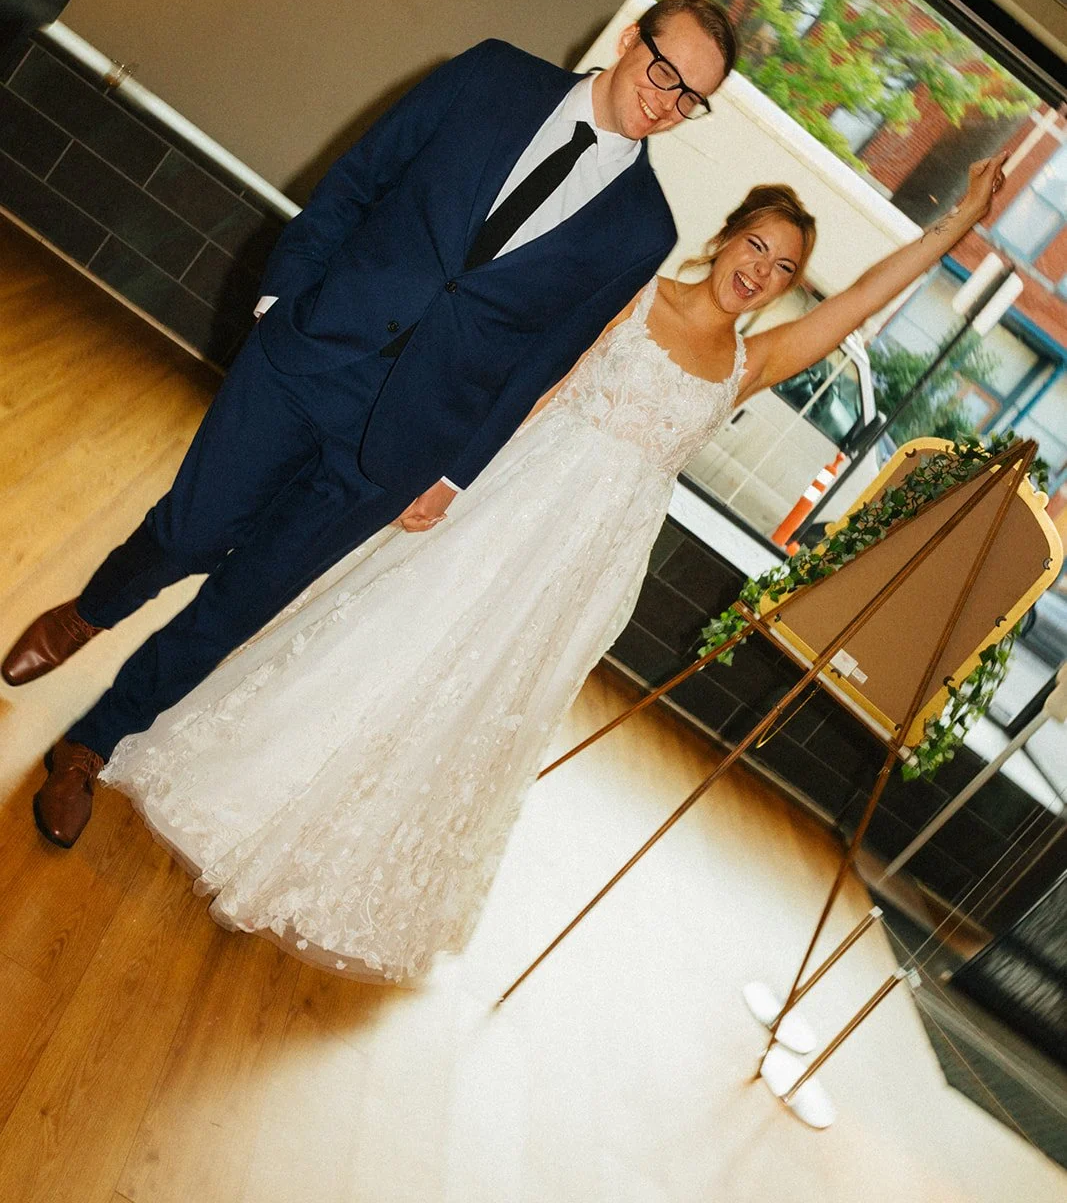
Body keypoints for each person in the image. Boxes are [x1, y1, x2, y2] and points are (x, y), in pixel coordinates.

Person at [94, 157, 1003, 982]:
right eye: (754, 246)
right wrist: (451, 478)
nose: (759, 271)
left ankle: (342, 859)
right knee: (398, 637)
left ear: (790, 288)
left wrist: (958, 222)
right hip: (515, 499)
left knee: (483, 696)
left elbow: (868, 297)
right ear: (726, 236)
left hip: (589, 558)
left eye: (782, 268)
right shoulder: (634, 294)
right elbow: (536, 384)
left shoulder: (752, 361)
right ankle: (252, 789)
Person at [4, 0, 736, 847]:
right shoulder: (493, 74)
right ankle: (90, 611)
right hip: (311, 352)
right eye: (664, 71)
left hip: (406, 438)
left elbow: (543, 357)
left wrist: (454, 471)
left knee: (243, 600)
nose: (667, 101)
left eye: (692, 98)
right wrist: (282, 299)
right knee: (191, 532)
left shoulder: (642, 228)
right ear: (630, 38)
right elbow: (359, 177)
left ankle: (91, 745)